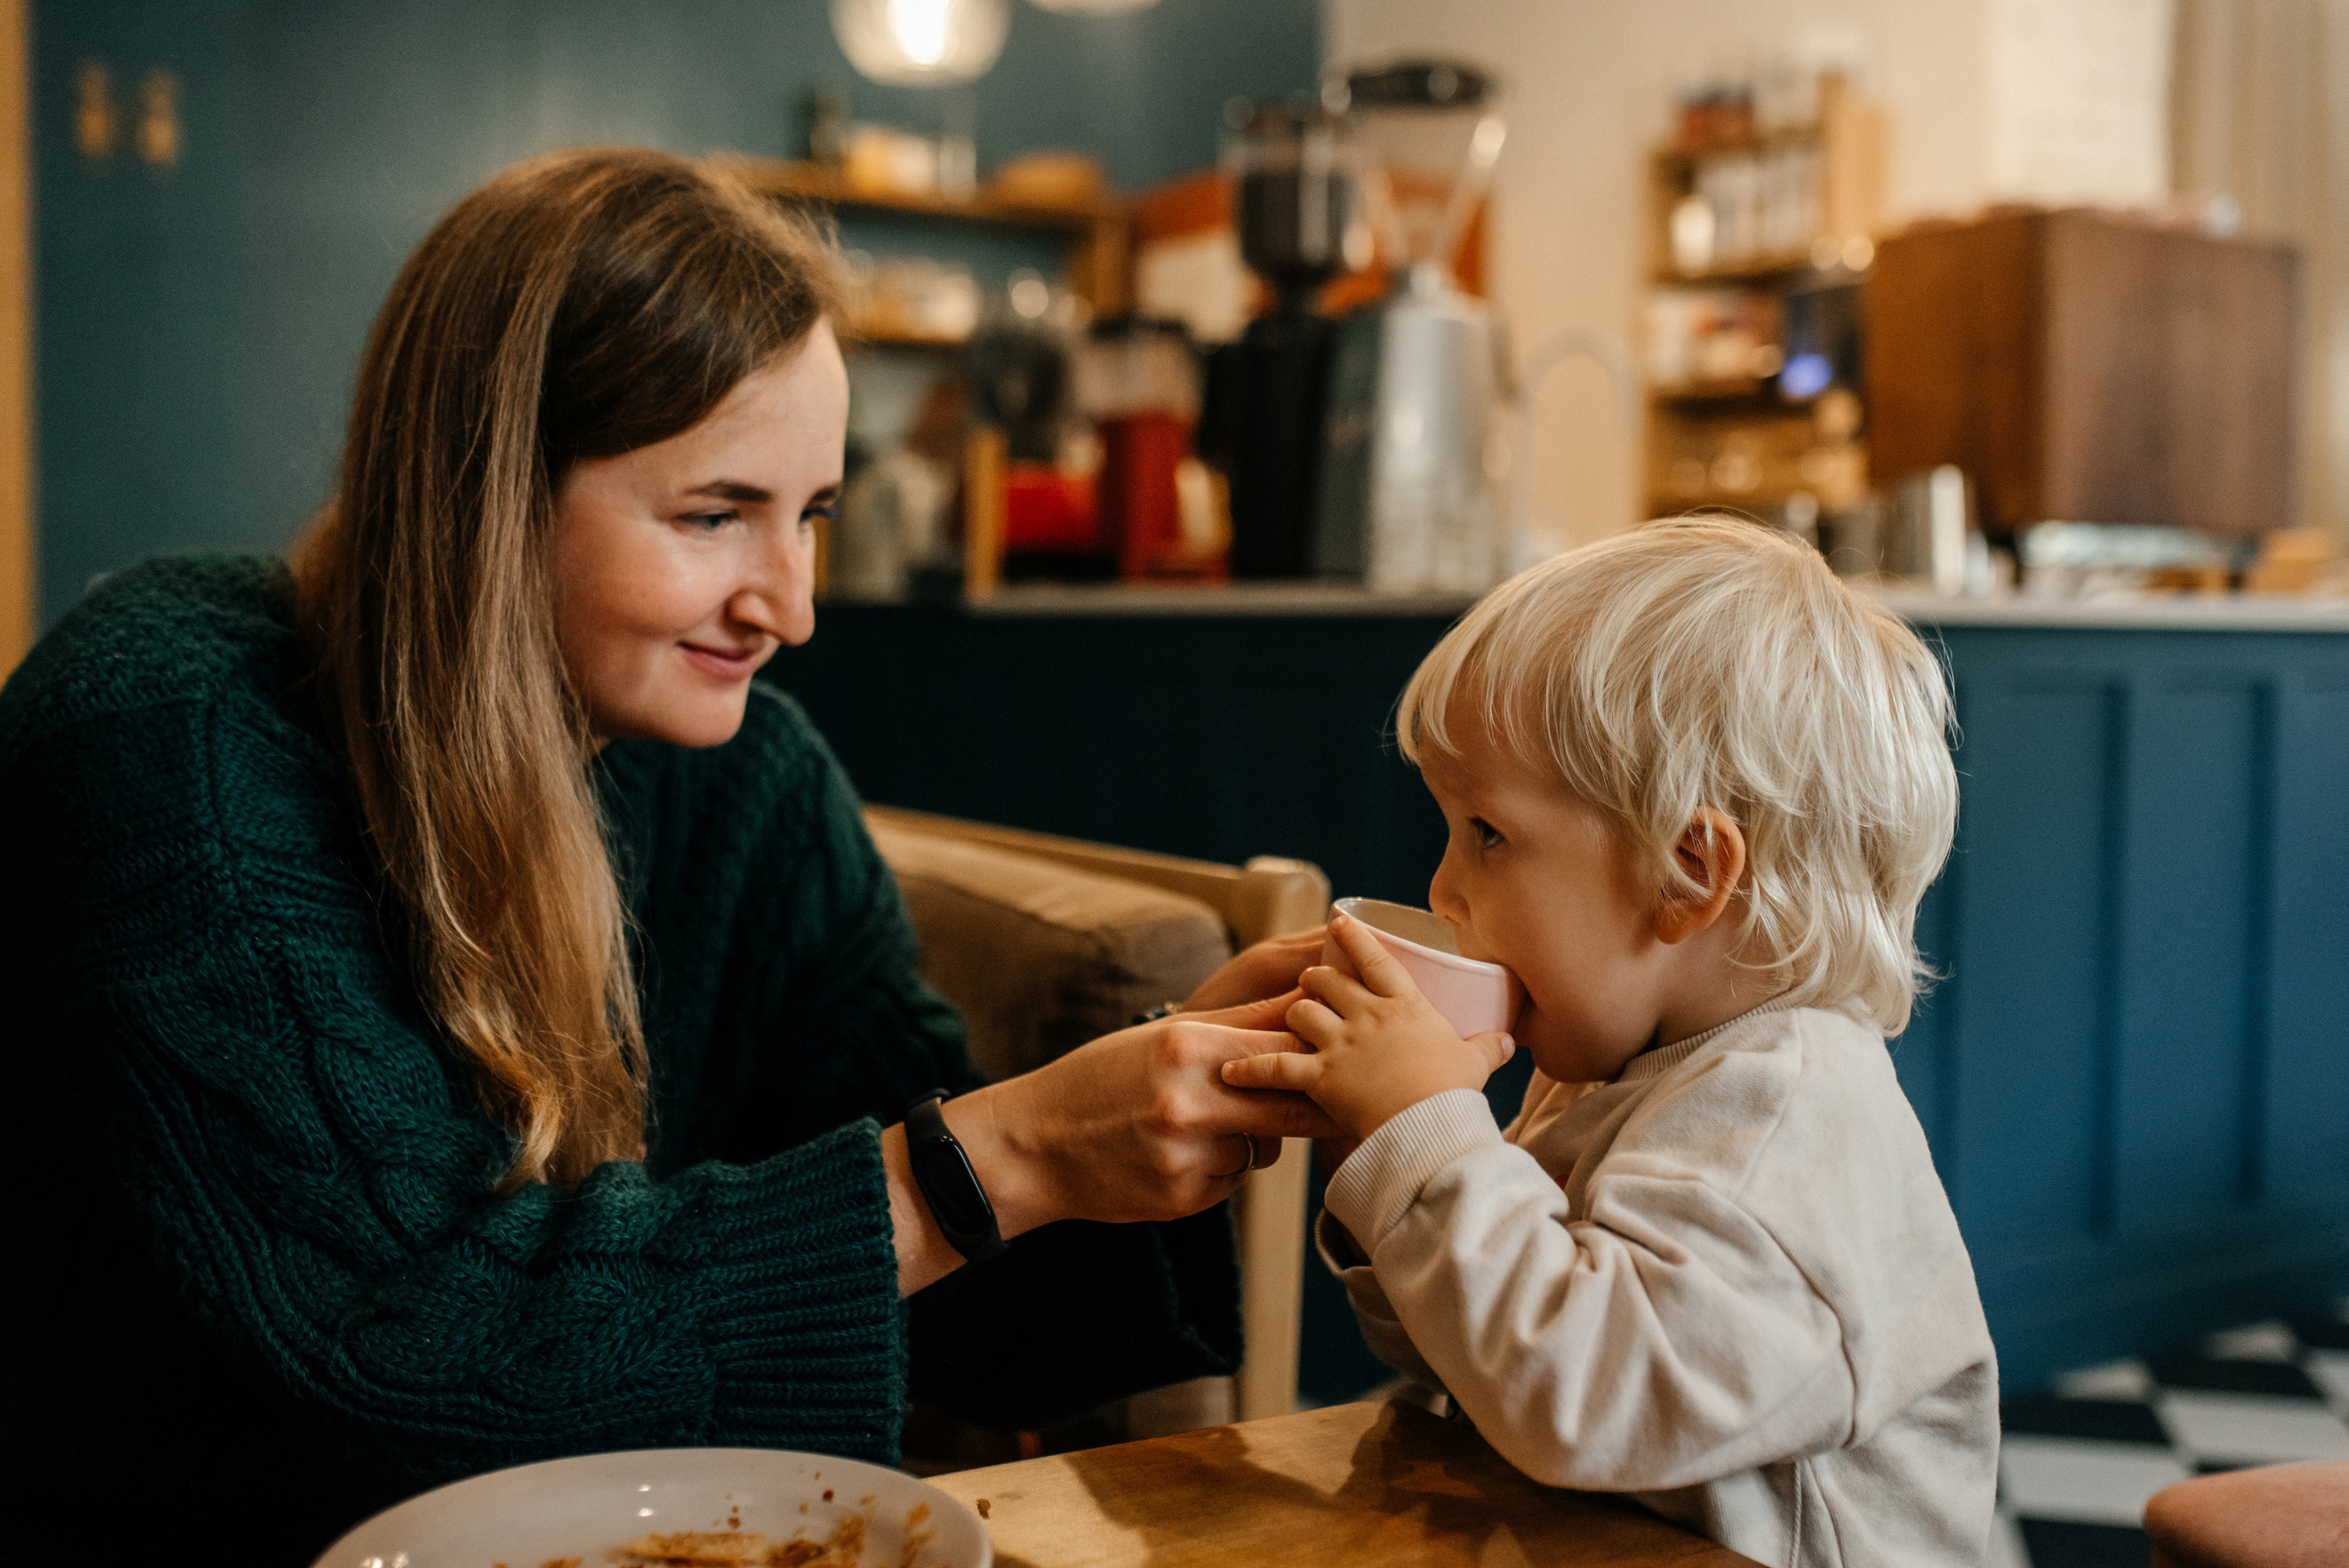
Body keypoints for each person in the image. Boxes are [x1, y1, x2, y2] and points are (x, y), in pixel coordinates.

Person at [0, 148, 1330, 1563]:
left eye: (809, 515)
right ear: (483, 489)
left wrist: (1217, 1093)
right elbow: (417, 1353)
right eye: (714, 515)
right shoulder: (175, 729)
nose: (793, 607)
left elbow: (934, 1281)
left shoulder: (745, 779)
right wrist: (1000, 1156)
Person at [1224, 517, 1998, 1568]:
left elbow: (1580, 1400)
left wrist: (1425, 1137)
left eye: (1488, 834)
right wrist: (1385, 1164)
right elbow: (1480, 1362)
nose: (1444, 887)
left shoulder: (1786, 1119)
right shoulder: (1605, 1062)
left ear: (1687, 871)